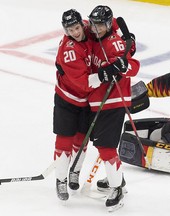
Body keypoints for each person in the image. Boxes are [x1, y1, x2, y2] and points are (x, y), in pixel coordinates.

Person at [87, 5, 140, 211]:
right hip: (98, 100)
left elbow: (133, 65)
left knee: (107, 148)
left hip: (113, 101)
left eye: (101, 24)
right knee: (102, 145)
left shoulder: (115, 43)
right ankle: (117, 179)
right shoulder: (94, 36)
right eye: (94, 23)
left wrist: (122, 67)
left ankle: (116, 188)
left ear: (108, 24)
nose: (97, 28)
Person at [53, 9, 98, 201]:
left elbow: (109, 22)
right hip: (67, 99)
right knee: (64, 141)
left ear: (82, 24)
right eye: (70, 30)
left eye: (77, 27)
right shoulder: (69, 50)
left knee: (82, 139)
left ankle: (75, 171)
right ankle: (61, 179)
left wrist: (123, 32)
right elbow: (84, 83)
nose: (76, 32)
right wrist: (105, 75)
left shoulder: (89, 26)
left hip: (86, 101)